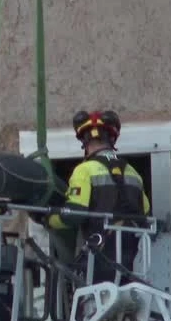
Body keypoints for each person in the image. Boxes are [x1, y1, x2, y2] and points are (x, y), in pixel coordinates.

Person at [38, 110, 151, 285]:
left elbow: (74, 214)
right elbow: (145, 213)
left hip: (98, 261)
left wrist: (48, 219)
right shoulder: (133, 173)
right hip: (131, 263)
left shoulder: (85, 170)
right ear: (112, 140)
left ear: (84, 141)